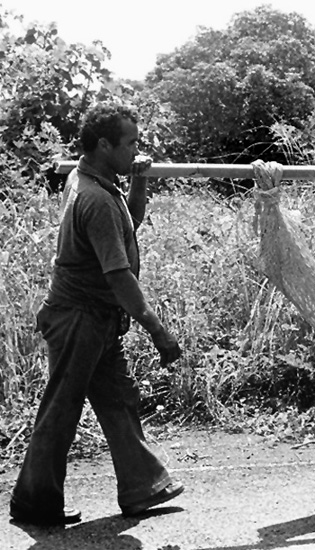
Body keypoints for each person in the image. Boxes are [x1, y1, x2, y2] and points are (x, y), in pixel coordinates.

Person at [9, 102, 185, 525]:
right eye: (130, 144)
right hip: (79, 318)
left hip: (95, 318)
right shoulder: (96, 198)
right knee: (62, 409)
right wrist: (158, 331)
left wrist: (138, 180)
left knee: (118, 399)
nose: (136, 151)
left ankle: (143, 486)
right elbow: (119, 276)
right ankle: (34, 502)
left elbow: (129, 225)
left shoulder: (91, 179)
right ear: (104, 144)